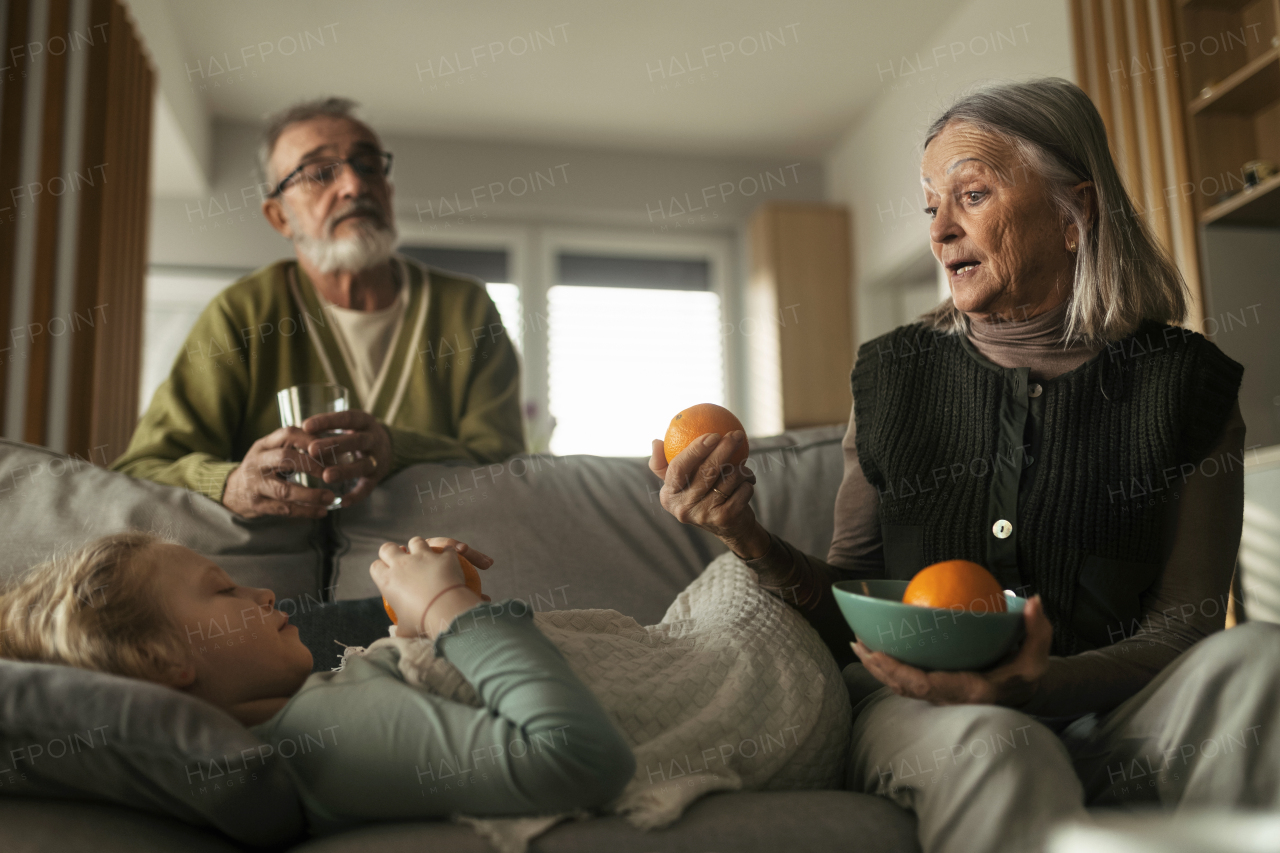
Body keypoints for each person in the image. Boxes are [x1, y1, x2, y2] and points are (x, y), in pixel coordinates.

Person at [649, 77, 1280, 853]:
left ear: (1073, 213)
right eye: (930, 206)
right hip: (927, 712)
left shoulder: (1187, 382)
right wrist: (747, 535)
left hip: (1122, 709)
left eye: (971, 194)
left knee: (1263, 659)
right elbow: (850, 588)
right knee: (1000, 748)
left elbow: (1184, 625)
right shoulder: (892, 375)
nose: (940, 230)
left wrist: (1048, 686)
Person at [0, 532, 634, 832]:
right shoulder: (320, 736)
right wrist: (445, 608)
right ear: (160, 658)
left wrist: (427, 624)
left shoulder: (318, 704)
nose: (265, 592)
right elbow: (576, 756)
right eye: (223, 590)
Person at [112, 97, 525, 519]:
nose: (355, 185)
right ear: (279, 217)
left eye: (368, 165)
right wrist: (230, 485)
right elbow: (141, 469)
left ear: (388, 188)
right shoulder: (243, 313)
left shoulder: (466, 309)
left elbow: (509, 467)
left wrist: (394, 448)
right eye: (319, 173)